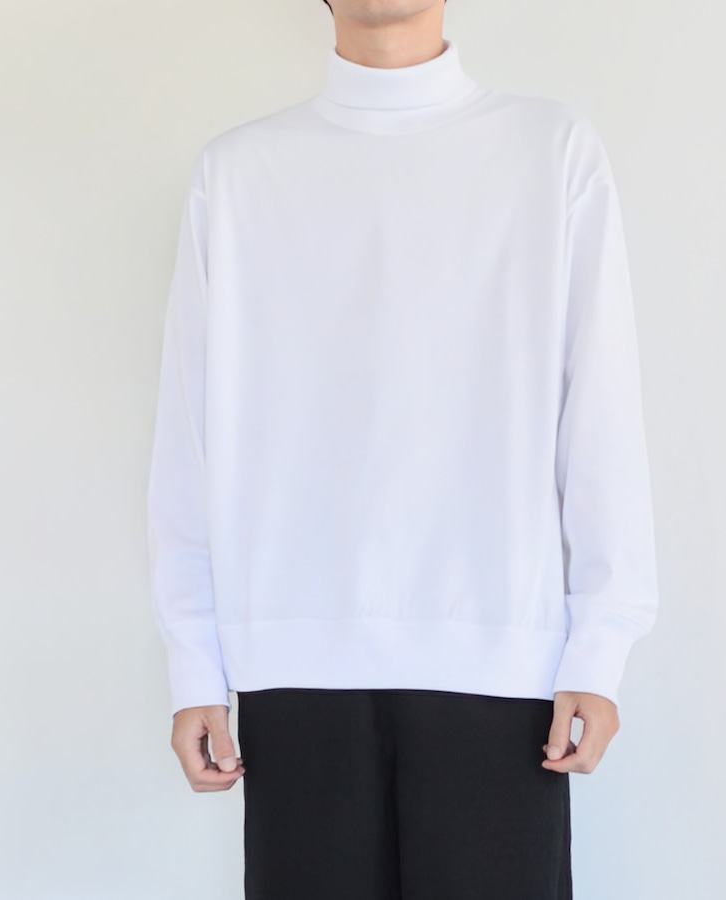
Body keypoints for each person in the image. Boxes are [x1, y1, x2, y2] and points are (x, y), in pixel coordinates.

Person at [145, 2, 659, 897]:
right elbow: (187, 430)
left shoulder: (550, 149)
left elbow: (601, 411)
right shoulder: (236, 173)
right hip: (293, 656)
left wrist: (600, 644)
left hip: (501, 654)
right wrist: (193, 659)